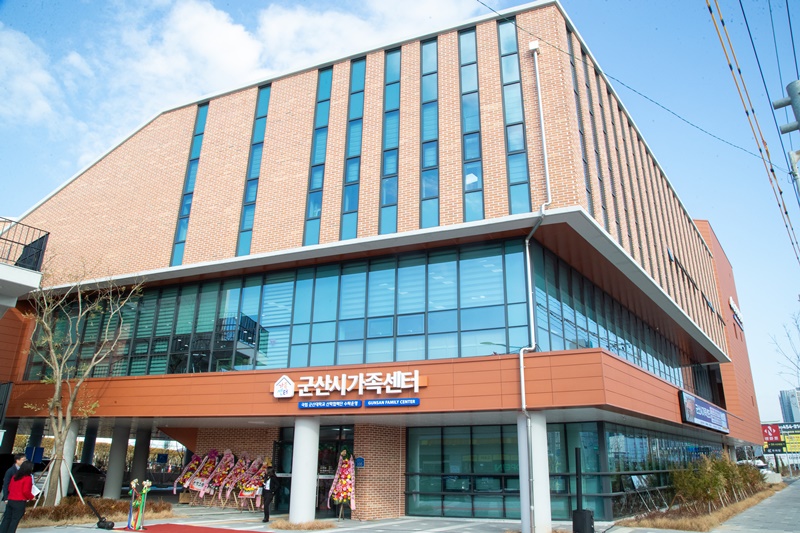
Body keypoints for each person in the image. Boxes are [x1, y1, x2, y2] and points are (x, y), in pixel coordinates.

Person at [0, 461, 34, 533]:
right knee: (14, 520)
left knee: (7, 519)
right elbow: (26, 491)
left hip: (10, 500)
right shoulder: (28, 478)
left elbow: (9, 487)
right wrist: (32, 497)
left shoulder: (15, 476)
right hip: (19, 501)